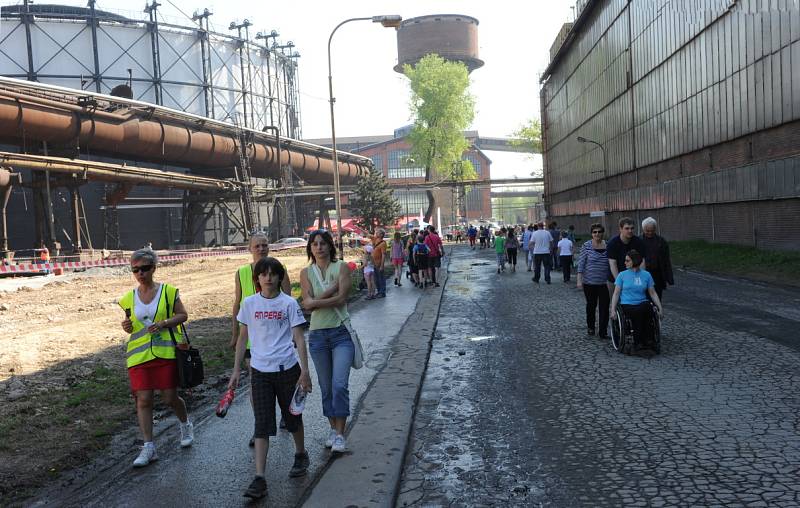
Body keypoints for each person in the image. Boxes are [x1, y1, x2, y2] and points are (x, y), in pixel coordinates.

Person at [229, 258, 312, 499]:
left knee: (292, 416)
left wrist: (305, 372)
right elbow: (243, 339)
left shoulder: (288, 304)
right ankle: (259, 478)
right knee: (262, 423)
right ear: (257, 278)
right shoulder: (249, 303)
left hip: (288, 369)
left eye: (273, 273)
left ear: (279, 277)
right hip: (259, 371)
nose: (268, 278)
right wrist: (236, 371)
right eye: (263, 274)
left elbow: (298, 338)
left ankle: (300, 454)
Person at [119, 248, 193, 468]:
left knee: (170, 398)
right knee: (143, 399)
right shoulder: (127, 299)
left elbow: (183, 315)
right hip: (138, 357)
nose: (140, 273)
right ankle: (149, 446)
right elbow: (130, 326)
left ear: (154, 268)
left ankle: (186, 424)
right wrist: (126, 326)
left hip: (166, 353)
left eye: (144, 268)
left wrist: (163, 323)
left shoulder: (169, 292)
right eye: (135, 270)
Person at [232, 233, 292, 444]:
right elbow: (237, 302)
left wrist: (290, 333)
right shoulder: (241, 273)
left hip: (276, 338)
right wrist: (234, 333)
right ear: (250, 248)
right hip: (250, 337)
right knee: (256, 384)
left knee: (281, 382)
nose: (261, 248)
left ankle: (286, 415)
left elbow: (288, 299)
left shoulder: (278, 269)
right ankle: (261, 426)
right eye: (257, 245)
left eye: (265, 245)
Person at [299, 230, 355, 453]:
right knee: (326, 387)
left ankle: (341, 434)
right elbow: (306, 303)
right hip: (318, 336)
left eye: (323, 243)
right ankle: (333, 429)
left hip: (341, 333)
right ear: (310, 248)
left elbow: (342, 299)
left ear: (330, 246)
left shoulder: (340, 267)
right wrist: (329, 292)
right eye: (315, 244)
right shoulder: (305, 273)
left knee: (339, 384)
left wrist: (315, 302)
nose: (319, 247)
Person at [610, 250, 663, 349]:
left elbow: (652, 293)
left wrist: (660, 308)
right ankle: (639, 340)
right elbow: (616, 293)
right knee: (639, 311)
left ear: (634, 261)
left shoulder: (646, 275)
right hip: (627, 304)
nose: (624, 263)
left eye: (627, 260)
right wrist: (613, 310)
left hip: (642, 303)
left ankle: (648, 339)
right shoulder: (622, 275)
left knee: (647, 307)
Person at [577, 223, 612, 338]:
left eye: (599, 232)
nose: (597, 234)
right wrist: (579, 280)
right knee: (591, 306)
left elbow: (612, 263)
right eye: (594, 232)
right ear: (591, 234)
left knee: (604, 307)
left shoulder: (608, 245)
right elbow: (581, 263)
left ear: (603, 233)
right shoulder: (586, 246)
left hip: (604, 283)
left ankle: (603, 331)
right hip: (589, 283)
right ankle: (591, 327)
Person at [641, 217, 674, 300]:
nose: (650, 233)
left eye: (652, 230)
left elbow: (666, 260)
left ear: (655, 229)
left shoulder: (661, 241)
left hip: (657, 275)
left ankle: (656, 312)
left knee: (657, 297)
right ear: (643, 229)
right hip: (642, 274)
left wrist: (669, 278)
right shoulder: (638, 241)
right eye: (647, 231)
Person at [371, 229, 388, 298]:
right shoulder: (375, 239)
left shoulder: (383, 243)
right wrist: (357, 227)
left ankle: (382, 292)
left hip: (379, 264)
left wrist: (382, 265)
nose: (376, 233)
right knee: (376, 278)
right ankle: (379, 291)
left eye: (377, 232)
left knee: (381, 278)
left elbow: (383, 255)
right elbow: (366, 234)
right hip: (374, 263)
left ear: (381, 234)